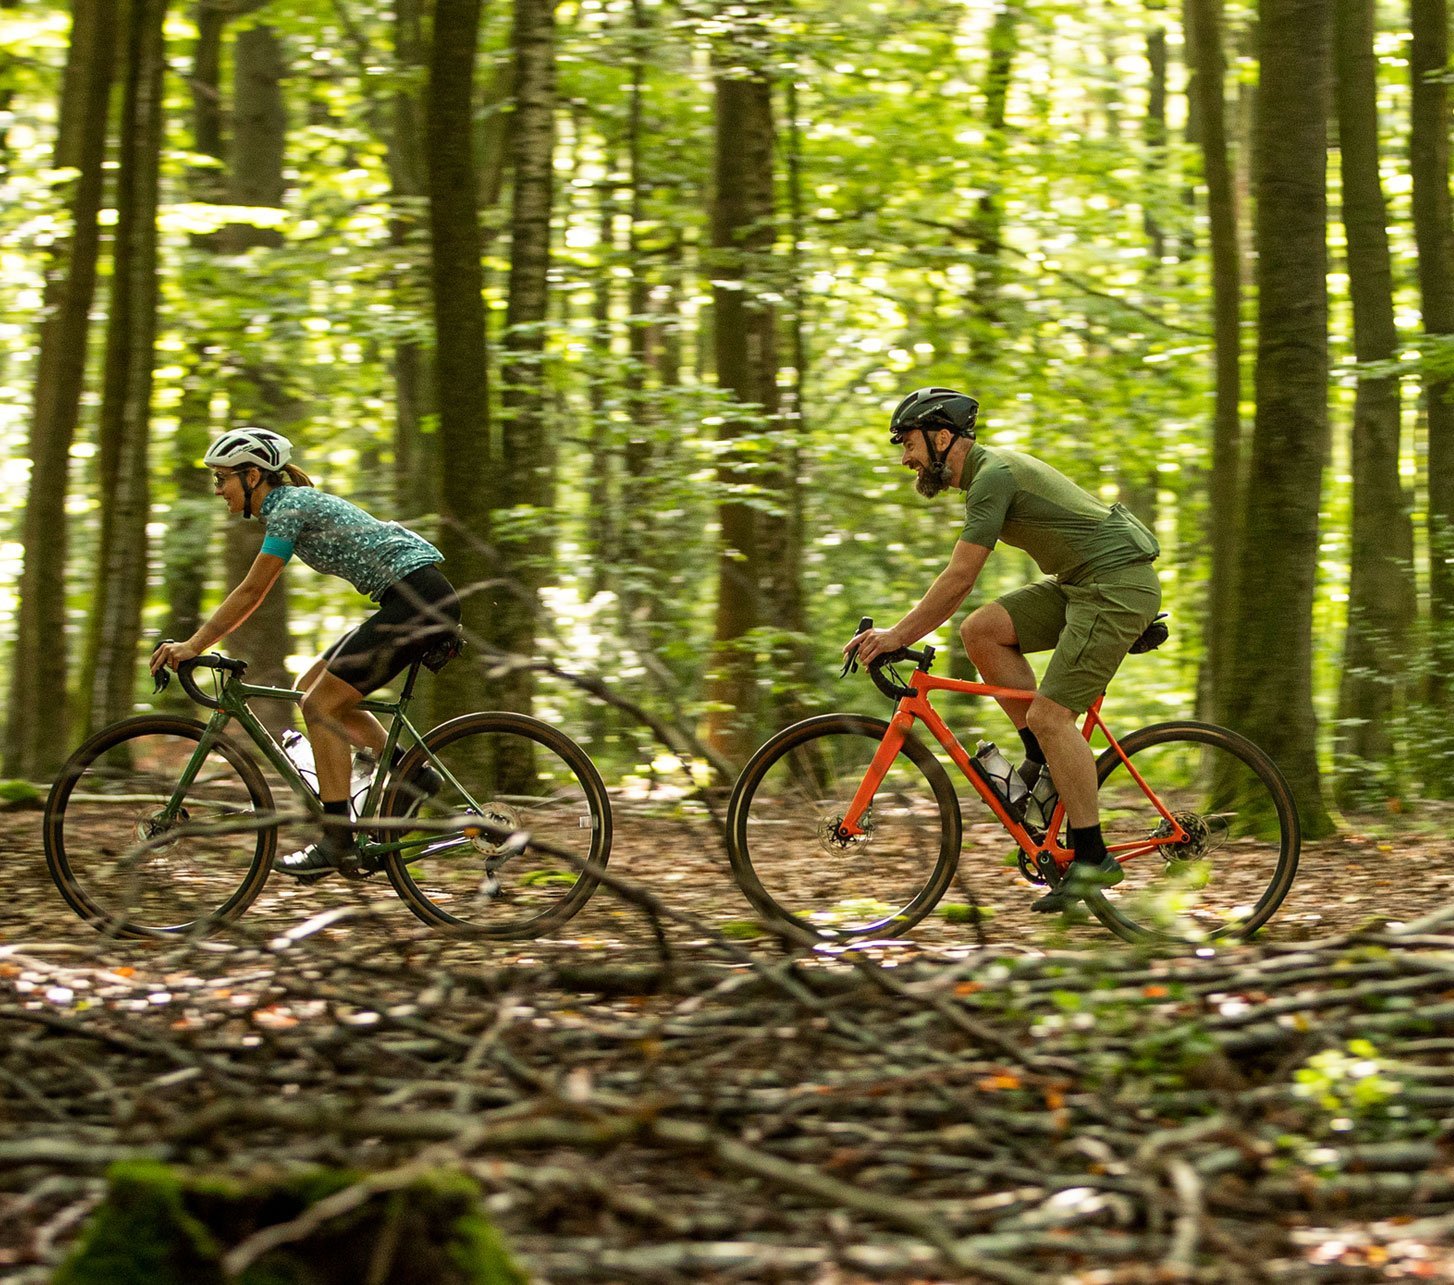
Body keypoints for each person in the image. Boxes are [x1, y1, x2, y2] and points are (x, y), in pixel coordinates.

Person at [844, 387, 1162, 913]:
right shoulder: (986, 476)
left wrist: (898, 635)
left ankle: (1091, 856)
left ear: (943, 437)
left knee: (1052, 716)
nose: (905, 458)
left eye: (908, 444)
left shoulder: (992, 478)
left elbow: (960, 576)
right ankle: (1043, 766)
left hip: (1114, 586)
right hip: (1081, 582)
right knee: (981, 631)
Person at [149, 428, 461, 881]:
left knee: (320, 705)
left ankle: (338, 839)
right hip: (411, 599)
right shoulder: (288, 507)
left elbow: (254, 590)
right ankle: (410, 774)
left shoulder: (288, 507)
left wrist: (194, 645)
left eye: (222, 479)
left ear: (253, 475)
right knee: (308, 689)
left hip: (418, 601)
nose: (218, 491)